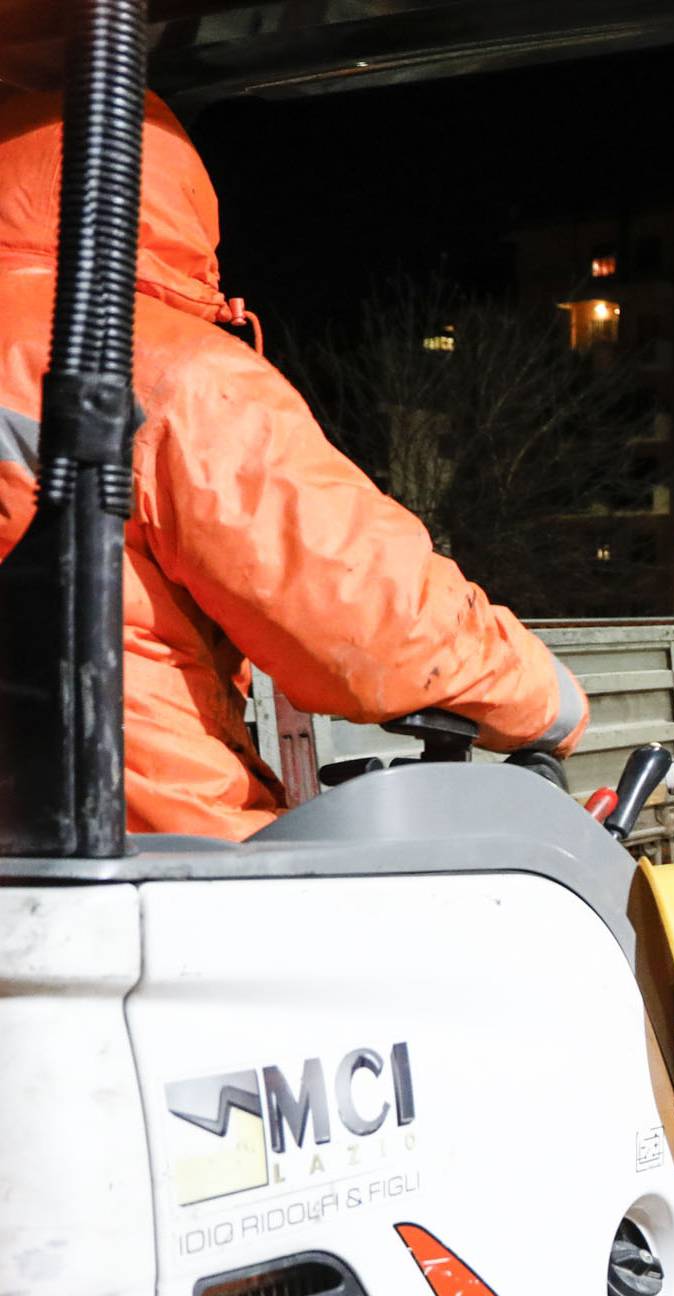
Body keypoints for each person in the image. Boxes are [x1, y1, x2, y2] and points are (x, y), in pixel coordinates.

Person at [0, 92, 586, 839]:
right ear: (164, 199)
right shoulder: (162, 370)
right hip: (134, 863)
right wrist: (547, 700)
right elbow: (371, 620)